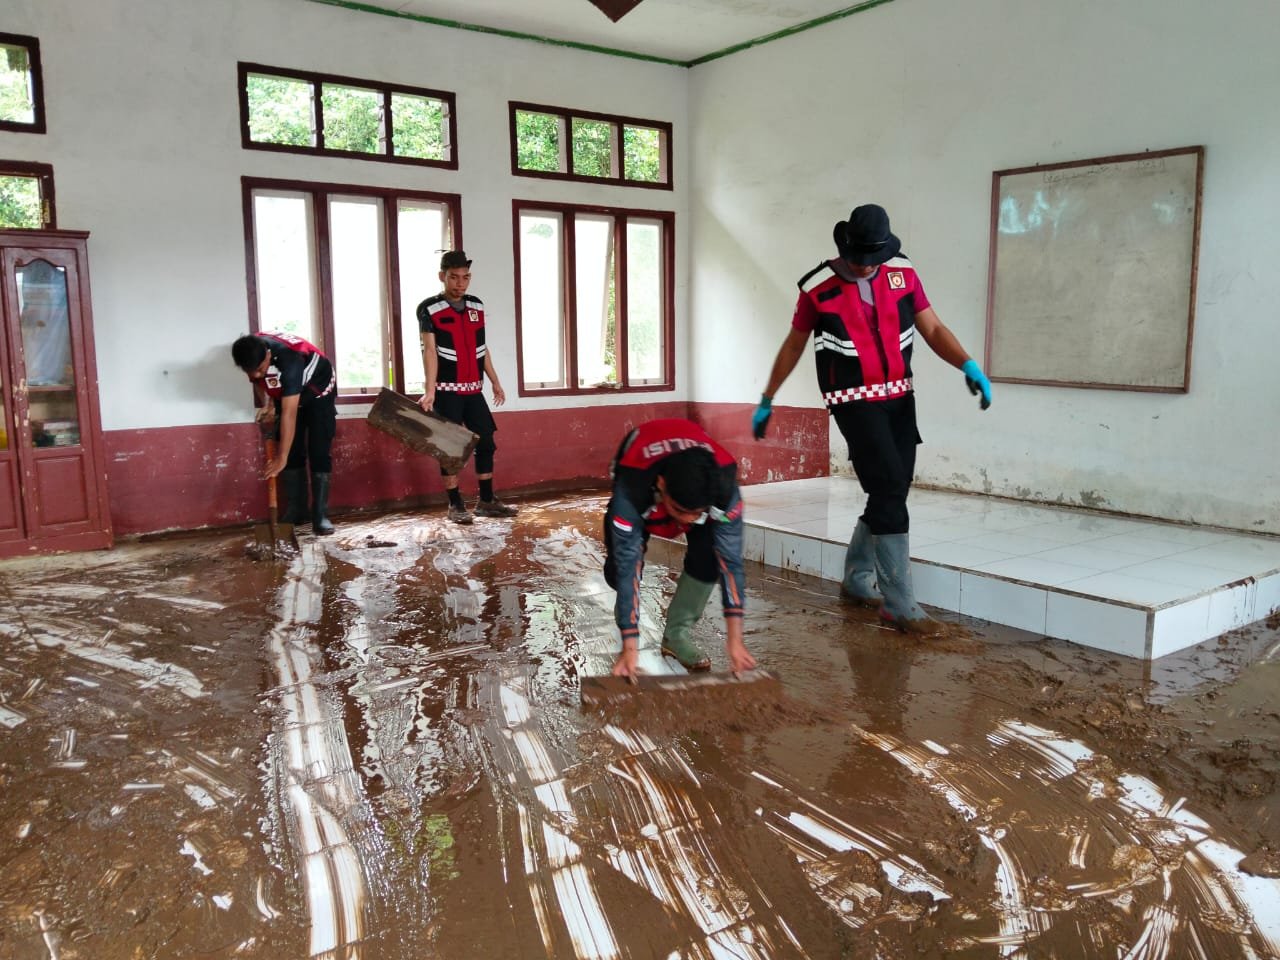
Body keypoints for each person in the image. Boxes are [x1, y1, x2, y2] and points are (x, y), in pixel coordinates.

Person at [752, 203, 992, 633]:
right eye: (858, 256)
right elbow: (793, 345)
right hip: (852, 400)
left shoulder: (903, 273)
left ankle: (857, 578)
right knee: (887, 489)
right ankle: (899, 603)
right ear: (845, 246)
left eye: (873, 257)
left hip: (899, 396)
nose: (865, 265)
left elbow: (933, 329)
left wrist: (968, 365)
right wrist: (768, 397)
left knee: (892, 489)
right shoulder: (817, 287)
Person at [604, 418, 757, 679]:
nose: (687, 521)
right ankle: (626, 618)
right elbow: (629, 562)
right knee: (619, 571)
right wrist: (630, 647)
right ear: (662, 485)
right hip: (643, 477)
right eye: (681, 511)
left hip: (689, 487)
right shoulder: (631, 490)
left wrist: (735, 641)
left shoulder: (723, 485)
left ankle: (676, 635)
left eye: (696, 514)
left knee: (709, 557)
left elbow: (730, 561)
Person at [416, 250, 518, 525]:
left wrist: (495, 381)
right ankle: (455, 504)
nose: (460, 283)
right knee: (449, 447)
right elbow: (430, 351)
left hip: (474, 391)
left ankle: (486, 501)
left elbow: (482, 348)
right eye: (454, 277)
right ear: (442, 276)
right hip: (446, 391)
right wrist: (430, 390)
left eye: (465, 277)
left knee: (486, 442)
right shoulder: (429, 308)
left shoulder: (476, 306)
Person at [231, 331, 338, 535]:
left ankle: (320, 515)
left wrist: (281, 458)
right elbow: (259, 381)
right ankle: (297, 510)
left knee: (318, 450)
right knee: (292, 449)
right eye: (250, 371)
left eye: (259, 369)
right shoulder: (251, 351)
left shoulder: (290, 362)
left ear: (268, 356)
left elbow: (289, 414)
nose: (255, 374)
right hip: (289, 389)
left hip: (318, 390)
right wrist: (268, 404)